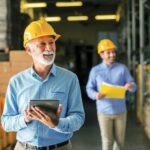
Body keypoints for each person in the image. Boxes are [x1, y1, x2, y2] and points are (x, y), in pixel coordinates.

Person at [1, 19, 85, 150]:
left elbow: (78, 118)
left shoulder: (70, 79)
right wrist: (25, 118)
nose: (49, 48)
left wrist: (57, 123)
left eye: (52, 43)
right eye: (42, 44)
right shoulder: (16, 82)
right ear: (28, 50)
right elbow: (6, 122)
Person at [86, 39, 136, 150]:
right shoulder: (95, 71)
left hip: (120, 112)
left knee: (119, 142)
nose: (112, 55)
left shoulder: (122, 69)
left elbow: (133, 85)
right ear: (101, 54)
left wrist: (130, 86)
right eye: (108, 52)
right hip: (104, 112)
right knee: (107, 141)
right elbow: (89, 88)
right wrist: (96, 95)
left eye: (113, 52)